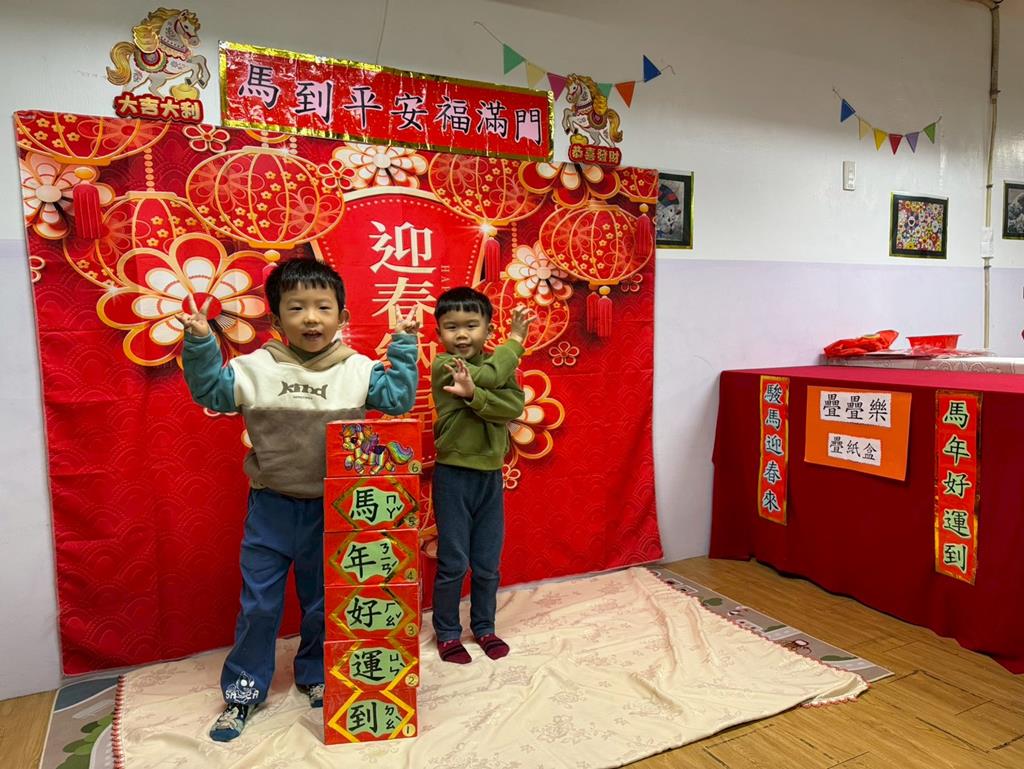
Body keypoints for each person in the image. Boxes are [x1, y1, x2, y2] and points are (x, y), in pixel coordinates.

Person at [175, 258, 419, 741]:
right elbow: (212, 392)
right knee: (259, 605)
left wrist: (405, 347)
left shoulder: (358, 368)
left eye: (323, 307)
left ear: (342, 317)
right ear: (276, 318)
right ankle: (243, 692)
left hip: (335, 509)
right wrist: (201, 342)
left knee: (322, 603)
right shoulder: (253, 368)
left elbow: (398, 400)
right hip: (271, 507)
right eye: (297, 307)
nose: (311, 318)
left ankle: (314, 675)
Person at [430, 286, 535, 664]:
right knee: (454, 562)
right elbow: (491, 377)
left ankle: (484, 627)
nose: (461, 335)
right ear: (439, 333)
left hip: (490, 476)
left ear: (488, 329)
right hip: (453, 476)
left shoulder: (497, 365)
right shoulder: (445, 365)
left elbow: (513, 406)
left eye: (471, 325)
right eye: (451, 327)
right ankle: (447, 632)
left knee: (488, 563)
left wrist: (475, 396)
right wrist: (516, 342)